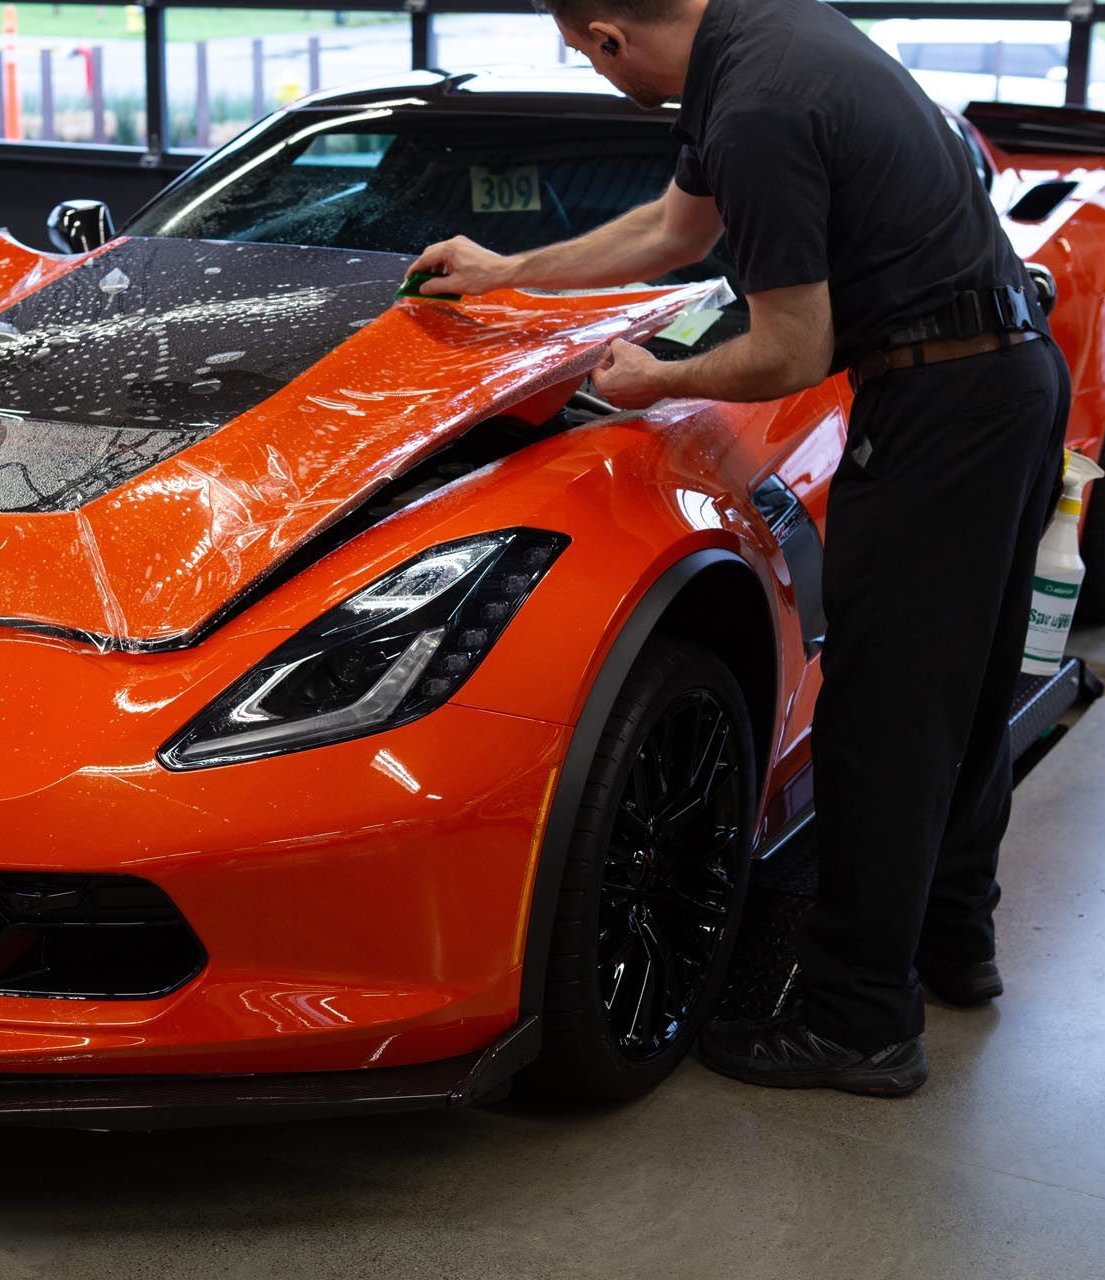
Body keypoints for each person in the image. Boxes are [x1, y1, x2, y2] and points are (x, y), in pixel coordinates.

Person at [406, 0, 1070, 1096]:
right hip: (1005, 377)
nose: (589, 66)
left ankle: (857, 1020)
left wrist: (651, 379)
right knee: (964, 687)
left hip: (941, 401)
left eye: (580, 52)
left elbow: (793, 347)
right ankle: (956, 942)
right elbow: (673, 234)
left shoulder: (756, 103)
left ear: (606, 38)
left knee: (884, 716)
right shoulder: (761, 39)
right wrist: (507, 270)